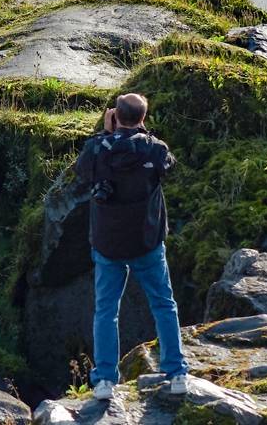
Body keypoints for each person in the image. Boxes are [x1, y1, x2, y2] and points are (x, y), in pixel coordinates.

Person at [72, 91, 189, 401]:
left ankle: (105, 381)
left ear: (115, 116)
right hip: (147, 241)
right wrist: (140, 135)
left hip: (108, 244)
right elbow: (170, 166)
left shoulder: (97, 149)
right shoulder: (155, 150)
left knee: (106, 311)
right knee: (164, 304)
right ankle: (176, 373)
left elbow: (81, 173)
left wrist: (106, 134)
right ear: (143, 118)